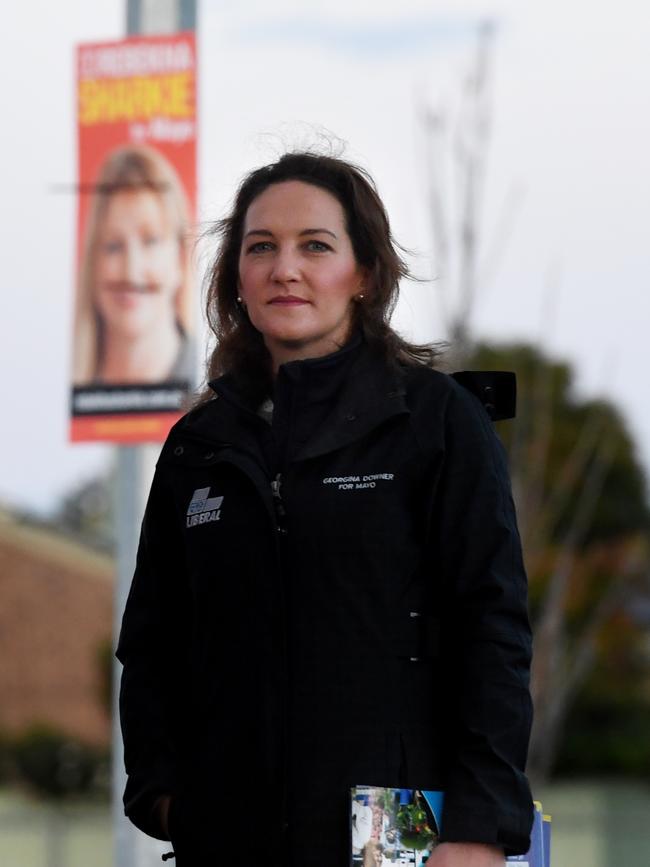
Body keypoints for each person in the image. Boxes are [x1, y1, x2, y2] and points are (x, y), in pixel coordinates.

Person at [117, 151, 534, 867]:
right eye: (261, 248)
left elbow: (491, 628)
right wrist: (166, 796)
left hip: (400, 831)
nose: (286, 268)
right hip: (230, 837)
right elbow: (153, 640)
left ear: (365, 274)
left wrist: (479, 825)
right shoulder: (198, 445)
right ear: (236, 281)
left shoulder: (437, 422)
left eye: (315, 245)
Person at [73, 145, 193, 386]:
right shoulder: (58, 383)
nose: (131, 271)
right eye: (113, 246)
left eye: (151, 241)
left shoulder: (215, 387)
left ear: (180, 256)